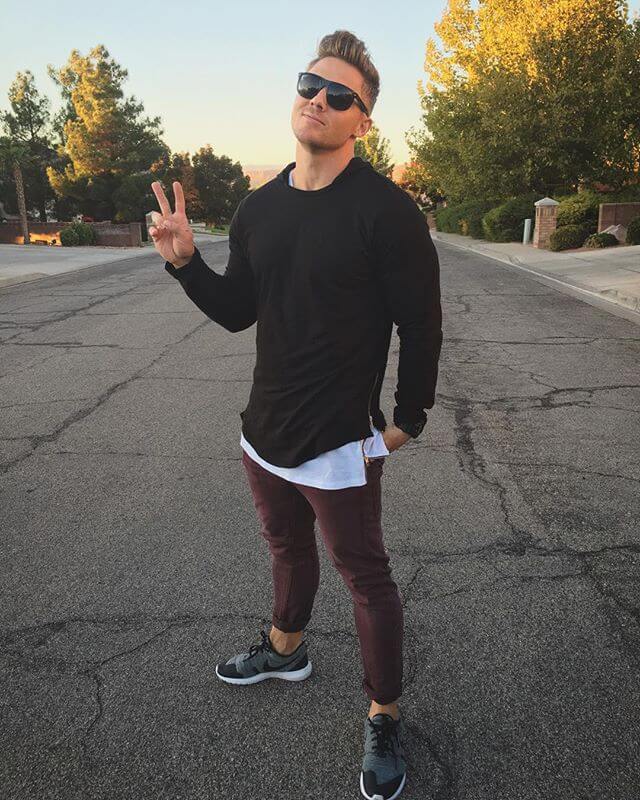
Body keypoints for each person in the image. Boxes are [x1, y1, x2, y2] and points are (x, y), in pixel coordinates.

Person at [149, 29, 442, 800]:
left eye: (340, 95)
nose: (319, 100)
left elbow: (421, 324)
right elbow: (238, 311)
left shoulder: (387, 212)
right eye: (310, 84)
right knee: (284, 544)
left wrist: (408, 418)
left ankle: (384, 713)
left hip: (340, 443)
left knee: (366, 577)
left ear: (362, 121)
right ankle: (286, 648)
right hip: (264, 431)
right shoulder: (260, 207)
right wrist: (186, 265)